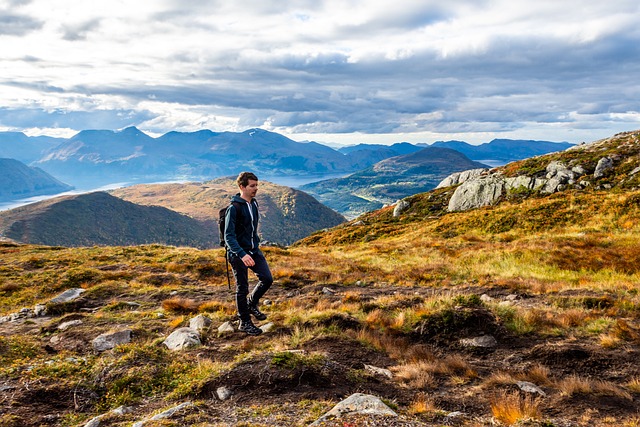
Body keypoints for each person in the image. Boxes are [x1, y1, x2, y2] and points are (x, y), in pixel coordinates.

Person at [224, 171, 273, 336]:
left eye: (256, 185)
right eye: (252, 186)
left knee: (267, 278)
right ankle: (244, 321)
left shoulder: (254, 204)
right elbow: (228, 236)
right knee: (242, 287)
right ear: (242, 186)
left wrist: (254, 246)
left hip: (253, 250)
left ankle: (252, 303)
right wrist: (242, 254)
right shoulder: (234, 208)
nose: (256, 189)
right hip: (238, 254)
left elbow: (251, 228)